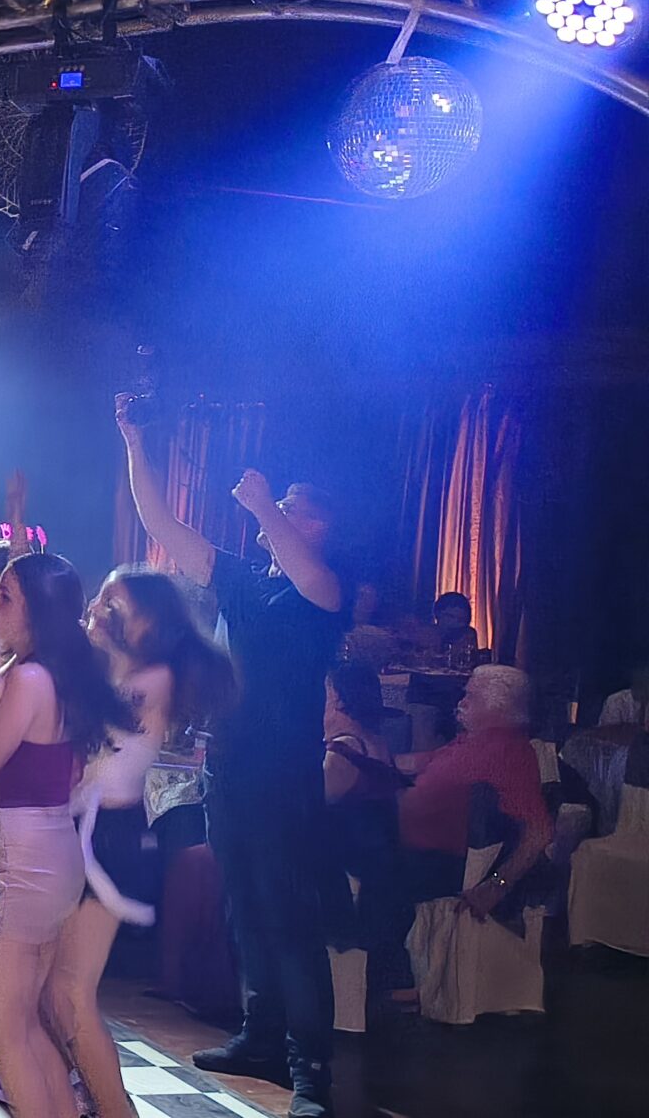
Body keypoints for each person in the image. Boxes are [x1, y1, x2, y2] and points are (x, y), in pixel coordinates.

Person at [118, 393, 344, 1116]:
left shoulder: (321, 592)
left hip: (283, 777)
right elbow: (162, 526)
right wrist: (135, 443)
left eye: (294, 507)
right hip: (231, 769)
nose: (276, 511)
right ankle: (260, 1034)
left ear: (317, 526)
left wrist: (266, 507)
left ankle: (311, 1068)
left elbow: (312, 578)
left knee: (289, 917)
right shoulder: (246, 581)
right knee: (245, 907)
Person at [55, 568, 237, 1118]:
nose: (99, 608)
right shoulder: (113, 672)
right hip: (81, 833)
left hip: (110, 841)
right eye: (100, 598)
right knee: (54, 991)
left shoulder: (154, 679)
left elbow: (107, 720)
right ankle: (82, 1095)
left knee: (71, 991)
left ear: (149, 620)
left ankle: (114, 1108)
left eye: (113, 603)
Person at [0, 553, 128, 1118]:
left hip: (21, 861)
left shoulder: (30, 679)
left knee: (6, 1028)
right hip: (46, 853)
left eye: (5, 596)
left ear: (39, 611)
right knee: (28, 1022)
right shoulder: (52, 675)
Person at [394, 664, 552, 917]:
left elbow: (540, 831)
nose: (462, 702)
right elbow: (420, 762)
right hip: (401, 836)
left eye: (471, 696)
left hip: (427, 862)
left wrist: (497, 885)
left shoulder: (509, 753)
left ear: (498, 706)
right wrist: (367, 758)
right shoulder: (472, 740)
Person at [321, 662, 411, 1008]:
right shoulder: (376, 742)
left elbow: (308, 810)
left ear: (338, 699)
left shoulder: (344, 753)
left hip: (350, 864)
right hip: (381, 863)